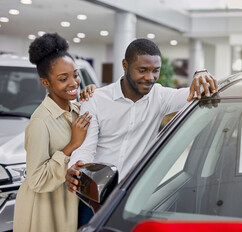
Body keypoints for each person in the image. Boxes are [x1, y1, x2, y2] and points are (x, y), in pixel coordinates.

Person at [66, 38, 218, 225]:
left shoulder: (160, 97)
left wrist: (201, 72)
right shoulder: (96, 99)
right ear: (125, 65)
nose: (150, 78)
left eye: (156, 71)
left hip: (134, 200)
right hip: (94, 200)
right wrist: (77, 166)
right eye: (143, 70)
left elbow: (201, 92)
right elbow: (86, 147)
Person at [13, 33, 95, 232]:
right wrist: (71, 146)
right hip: (45, 210)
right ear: (46, 83)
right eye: (63, 78)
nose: (74, 82)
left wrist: (95, 96)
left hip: (73, 204)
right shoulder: (40, 122)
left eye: (75, 74)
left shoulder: (77, 110)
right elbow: (37, 179)